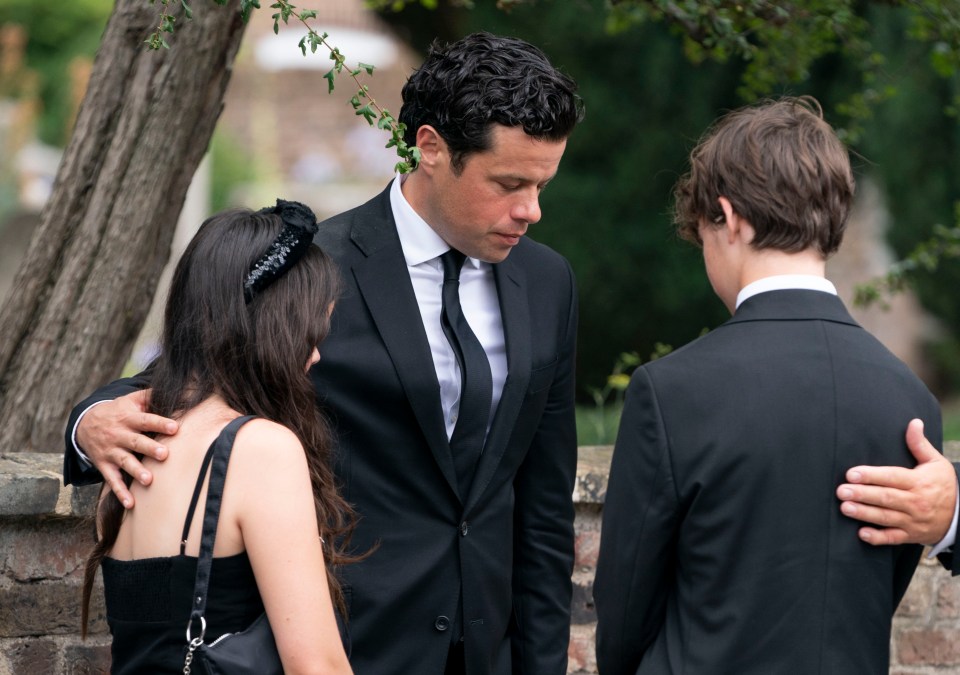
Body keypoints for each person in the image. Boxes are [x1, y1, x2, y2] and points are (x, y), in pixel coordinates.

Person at [65, 32, 583, 675]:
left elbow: (543, 503)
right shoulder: (313, 270)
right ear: (430, 149)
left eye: (541, 185)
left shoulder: (548, 281)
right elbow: (193, 373)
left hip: (491, 652)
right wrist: (90, 423)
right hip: (346, 646)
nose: (530, 210)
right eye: (508, 183)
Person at [593, 97, 942, 675]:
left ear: (728, 219)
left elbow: (626, 615)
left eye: (703, 232)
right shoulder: (910, 400)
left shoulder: (671, 392)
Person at [78, 202, 355, 674]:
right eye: (309, 332)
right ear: (271, 327)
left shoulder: (132, 448)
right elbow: (316, 665)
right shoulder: (260, 449)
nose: (314, 356)